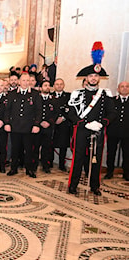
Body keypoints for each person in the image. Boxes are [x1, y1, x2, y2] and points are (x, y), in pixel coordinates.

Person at [67, 42, 116, 195]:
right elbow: (70, 112)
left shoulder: (105, 94)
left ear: (99, 78)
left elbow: (112, 113)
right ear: (86, 78)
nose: (94, 78)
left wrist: (101, 123)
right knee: (78, 158)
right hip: (82, 130)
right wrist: (82, 123)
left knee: (96, 159)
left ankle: (95, 186)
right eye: (91, 76)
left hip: (98, 131)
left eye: (96, 76)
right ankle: (73, 185)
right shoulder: (77, 93)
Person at [4, 73, 41, 178]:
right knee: (15, 149)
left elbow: (39, 111)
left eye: (27, 80)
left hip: (29, 127)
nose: (25, 83)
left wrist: (36, 124)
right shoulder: (11, 93)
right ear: (19, 82)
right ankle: (13, 168)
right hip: (15, 126)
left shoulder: (35, 94)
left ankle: (29, 169)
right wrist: (7, 123)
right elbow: (7, 110)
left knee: (29, 150)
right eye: (23, 80)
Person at [105, 81, 129, 181]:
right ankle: (109, 172)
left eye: (127, 86)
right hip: (113, 132)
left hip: (127, 133)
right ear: (118, 89)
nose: (124, 88)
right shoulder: (112, 101)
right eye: (122, 87)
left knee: (127, 154)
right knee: (111, 153)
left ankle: (126, 173)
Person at [33, 81, 58, 173]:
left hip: (48, 127)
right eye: (45, 85)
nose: (47, 87)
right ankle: (34, 165)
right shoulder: (36, 98)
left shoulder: (54, 99)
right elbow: (33, 112)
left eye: (49, 85)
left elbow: (56, 113)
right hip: (37, 126)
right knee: (35, 147)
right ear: (40, 87)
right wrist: (38, 122)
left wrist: (49, 122)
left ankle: (45, 166)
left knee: (46, 147)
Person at [51, 78, 71, 171]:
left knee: (63, 145)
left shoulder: (69, 96)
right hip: (53, 124)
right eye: (57, 84)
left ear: (63, 85)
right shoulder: (50, 96)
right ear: (54, 86)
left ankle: (61, 164)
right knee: (50, 144)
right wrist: (54, 119)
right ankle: (49, 162)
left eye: (61, 84)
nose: (59, 86)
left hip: (64, 124)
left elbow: (71, 109)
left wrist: (63, 118)